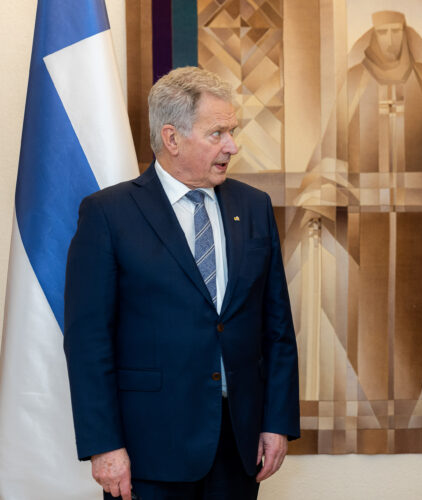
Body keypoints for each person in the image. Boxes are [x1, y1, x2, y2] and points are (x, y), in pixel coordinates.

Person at [63, 67, 300, 499]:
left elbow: (277, 328)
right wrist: (103, 445)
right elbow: (88, 341)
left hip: (238, 444)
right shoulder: (108, 214)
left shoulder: (254, 207)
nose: (232, 145)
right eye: (217, 133)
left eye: (233, 131)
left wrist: (276, 422)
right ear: (172, 138)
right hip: (148, 449)